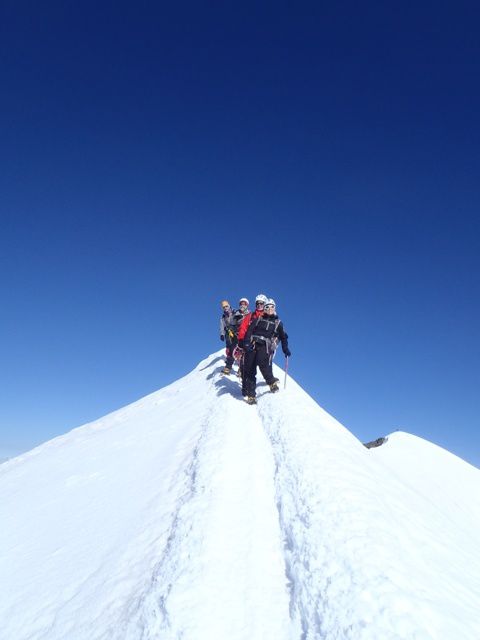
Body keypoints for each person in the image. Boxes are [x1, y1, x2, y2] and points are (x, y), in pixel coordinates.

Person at [239, 296, 291, 404]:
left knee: (263, 363)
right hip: (253, 344)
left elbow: (283, 337)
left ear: (275, 308)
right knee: (250, 369)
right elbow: (249, 330)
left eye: (272, 307)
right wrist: (246, 343)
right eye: (267, 307)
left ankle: (271, 382)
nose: (269, 309)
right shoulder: (259, 319)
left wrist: (285, 349)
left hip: (264, 345)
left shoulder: (278, 322)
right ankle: (251, 395)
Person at [237, 294, 268, 395]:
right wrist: (241, 341)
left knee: (264, 364)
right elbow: (243, 328)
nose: (259, 305)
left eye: (261, 303)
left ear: (265, 304)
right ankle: (247, 389)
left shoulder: (269, 316)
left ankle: (270, 380)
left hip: (263, 344)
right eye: (257, 303)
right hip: (249, 343)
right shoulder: (250, 316)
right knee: (248, 367)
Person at [219, 300, 237, 374]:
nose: (225, 308)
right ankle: (228, 366)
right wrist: (222, 334)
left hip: (236, 333)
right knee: (229, 349)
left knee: (237, 349)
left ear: (229, 305)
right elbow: (222, 326)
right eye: (223, 307)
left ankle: (240, 368)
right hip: (228, 334)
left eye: (226, 306)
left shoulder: (235, 312)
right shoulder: (223, 317)